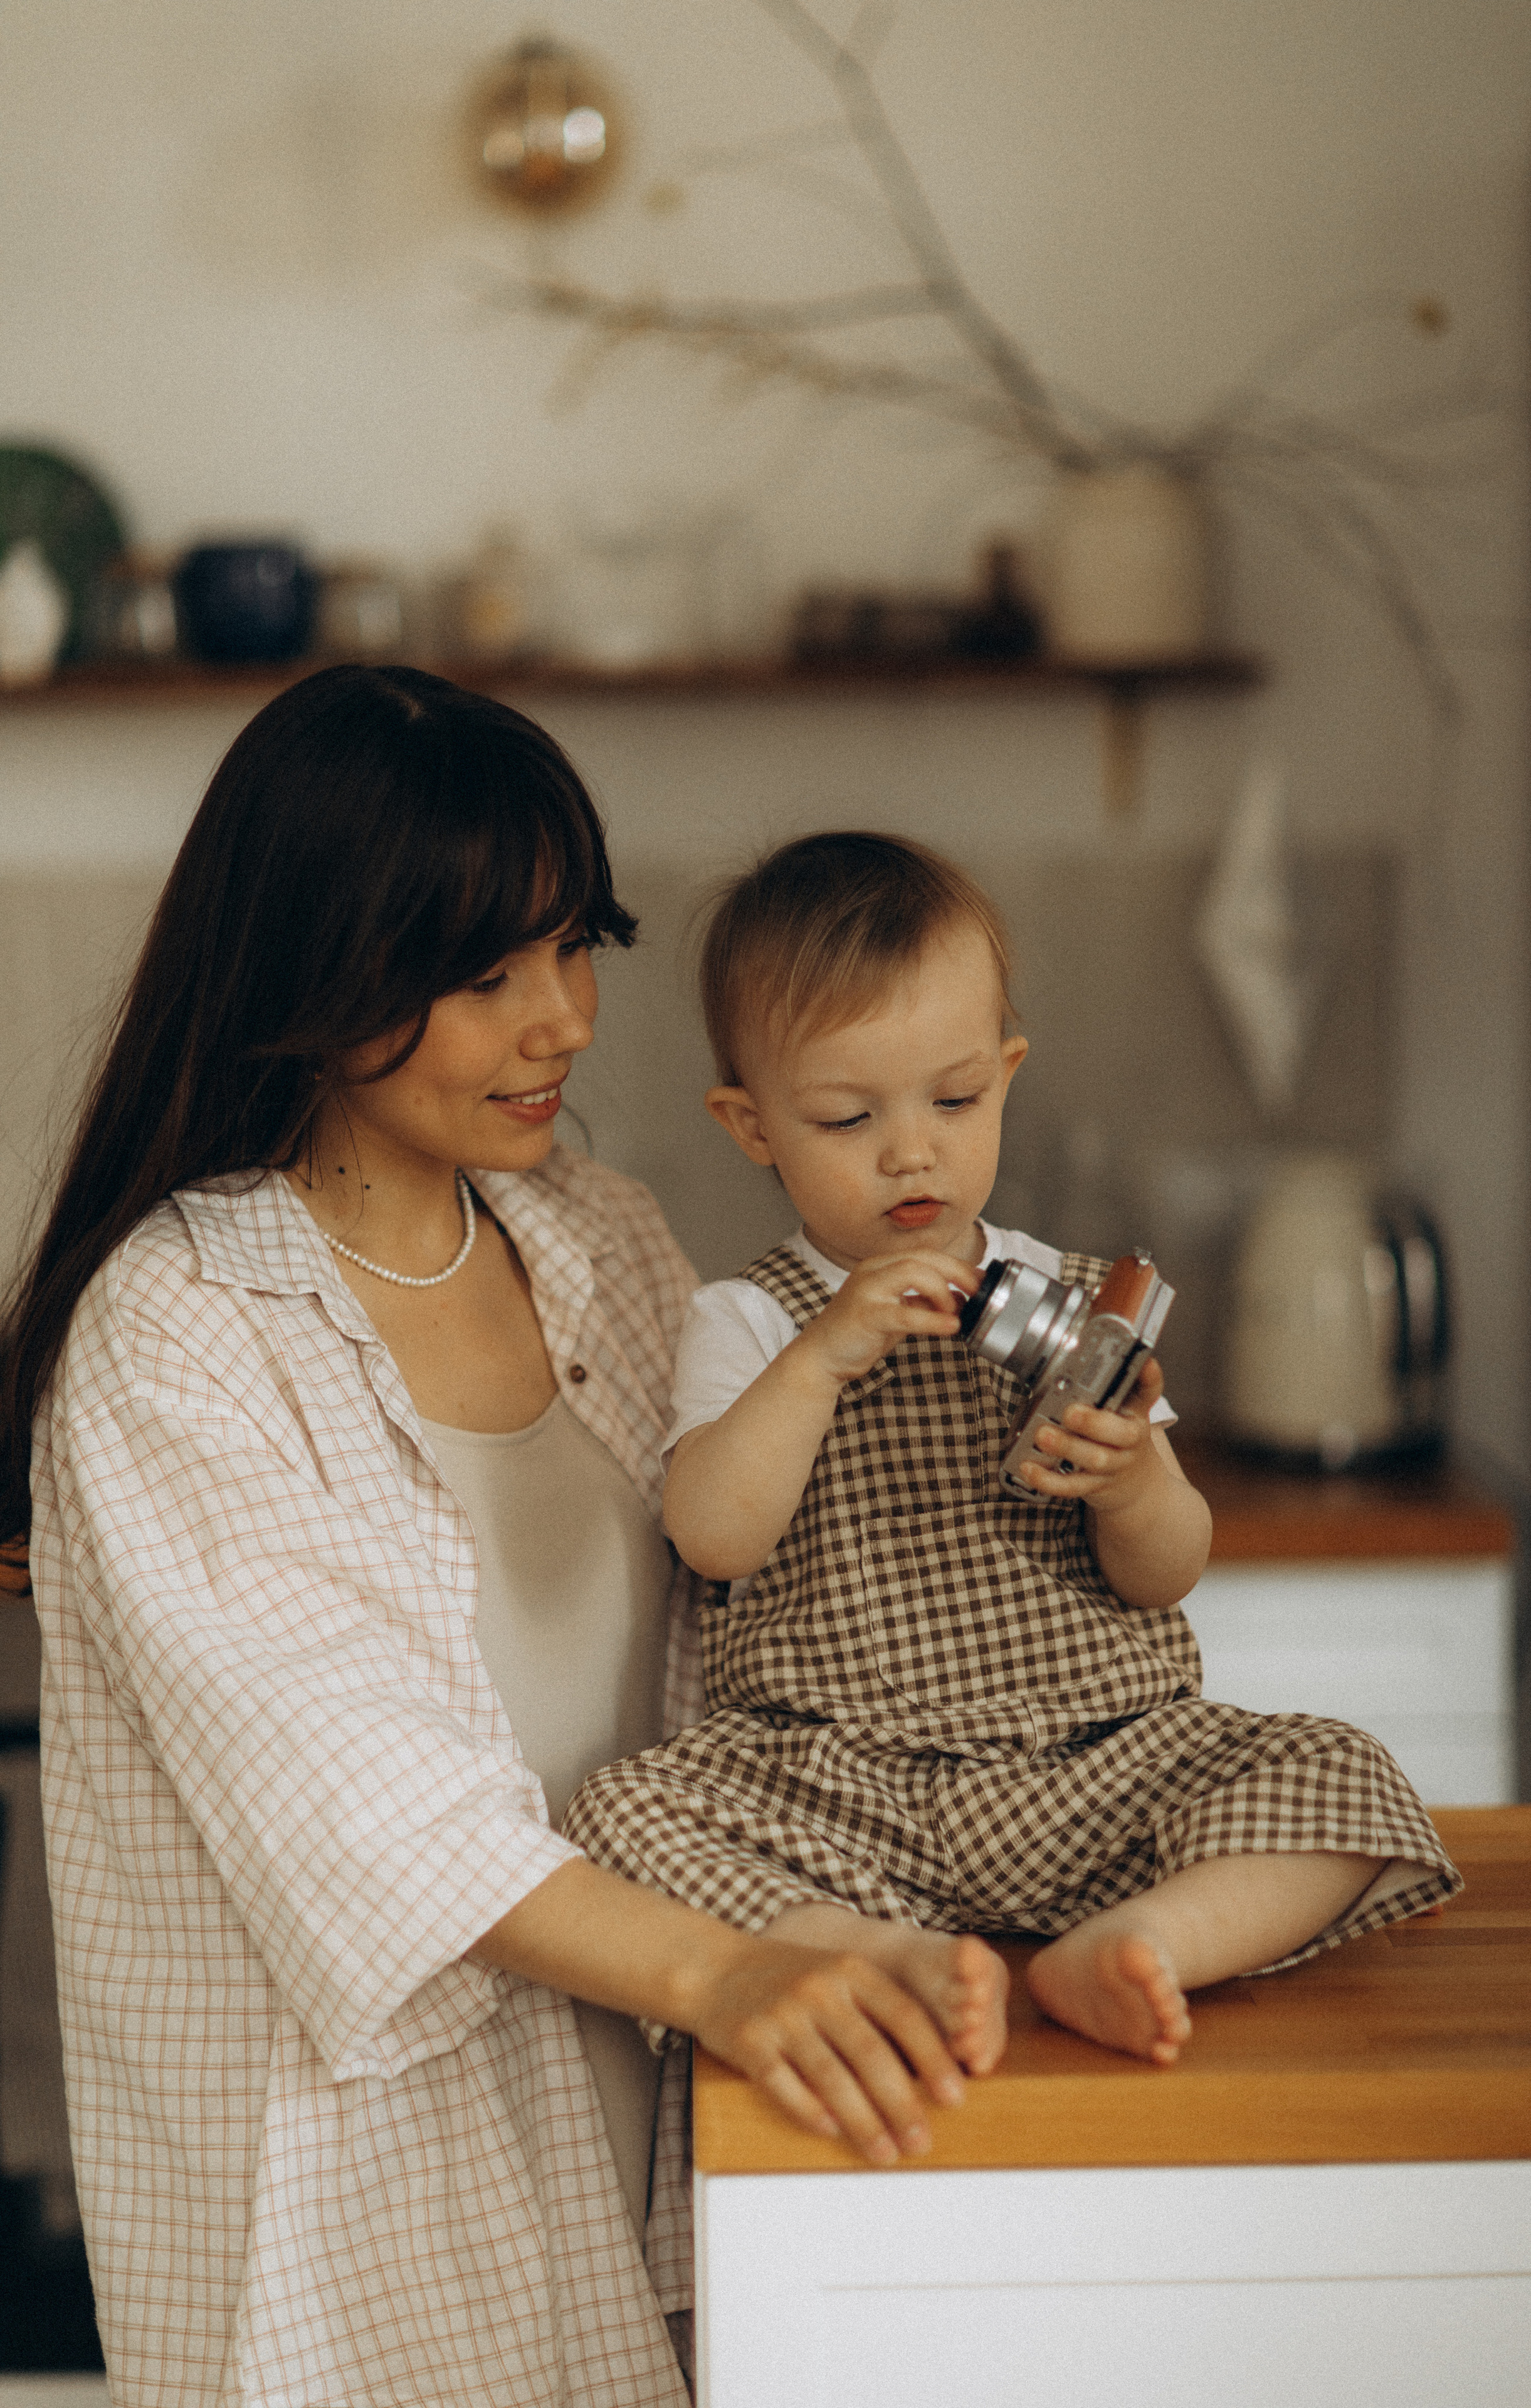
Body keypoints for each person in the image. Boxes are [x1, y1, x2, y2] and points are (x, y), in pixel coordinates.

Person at [0, 677, 971, 2408]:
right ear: (320, 981)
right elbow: (363, 1801)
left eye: (574, 948)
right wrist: (736, 1969)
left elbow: (767, 1630)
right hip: (369, 2189)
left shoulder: (602, 1235)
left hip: (685, 2095)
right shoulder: (181, 1331)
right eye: (486, 977)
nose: (569, 1024)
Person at [565, 832, 1461, 2074]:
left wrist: (1135, 1481)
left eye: (953, 1099)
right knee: (622, 1815)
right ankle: (880, 1959)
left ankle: (1141, 1942)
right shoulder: (752, 1319)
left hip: (1088, 1764)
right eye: (843, 1116)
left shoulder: (1075, 1303)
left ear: (1005, 1074)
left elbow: (1168, 1572)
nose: (909, 1152)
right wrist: (822, 1356)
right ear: (751, 1124)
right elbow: (713, 1536)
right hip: (843, 1785)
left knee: (1343, 1770)